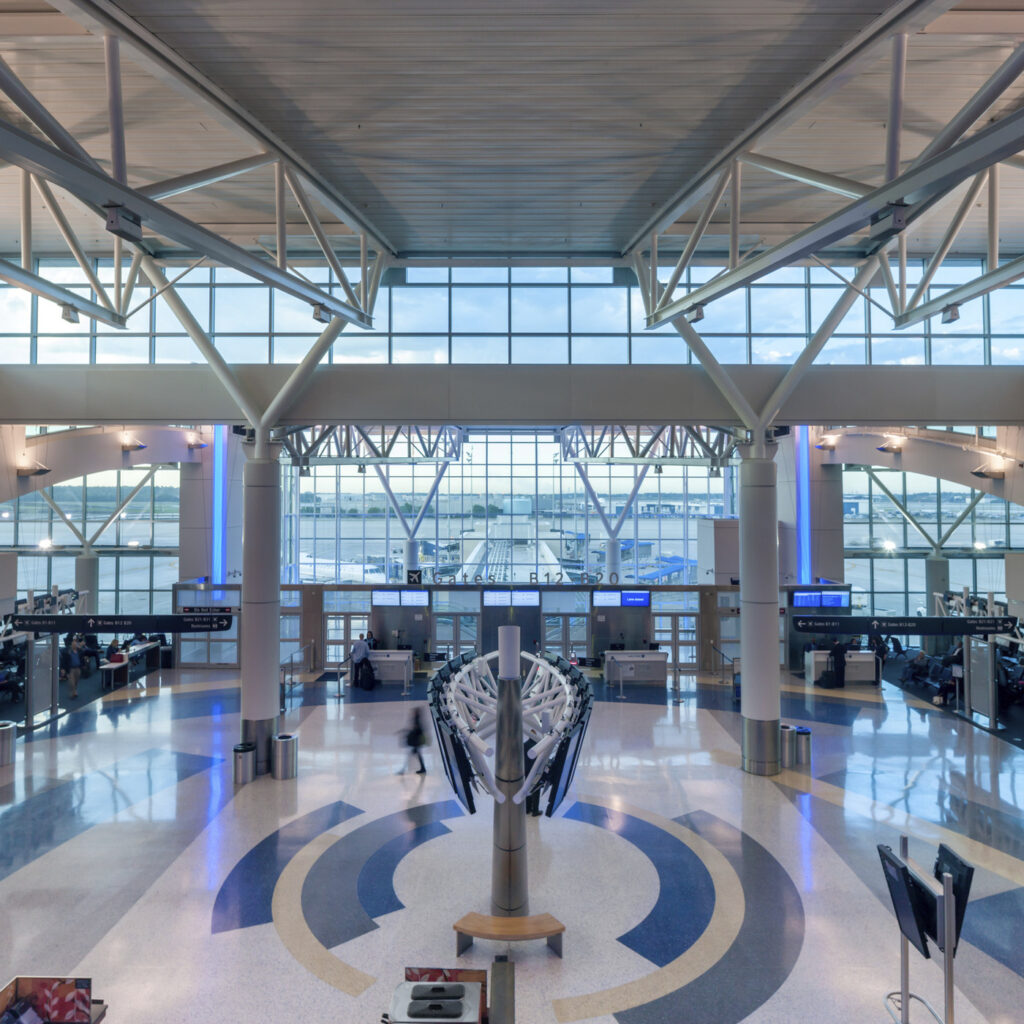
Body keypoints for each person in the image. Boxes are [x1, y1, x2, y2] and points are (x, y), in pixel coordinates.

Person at [400, 707, 427, 774]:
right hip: (416, 742)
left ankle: (403, 770)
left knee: (411, 756)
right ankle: (423, 768)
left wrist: (408, 733)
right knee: (416, 756)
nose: (413, 713)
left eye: (414, 712)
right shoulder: (417, 719)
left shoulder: (417, 720)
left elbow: (417, 730)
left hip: (416, 742)